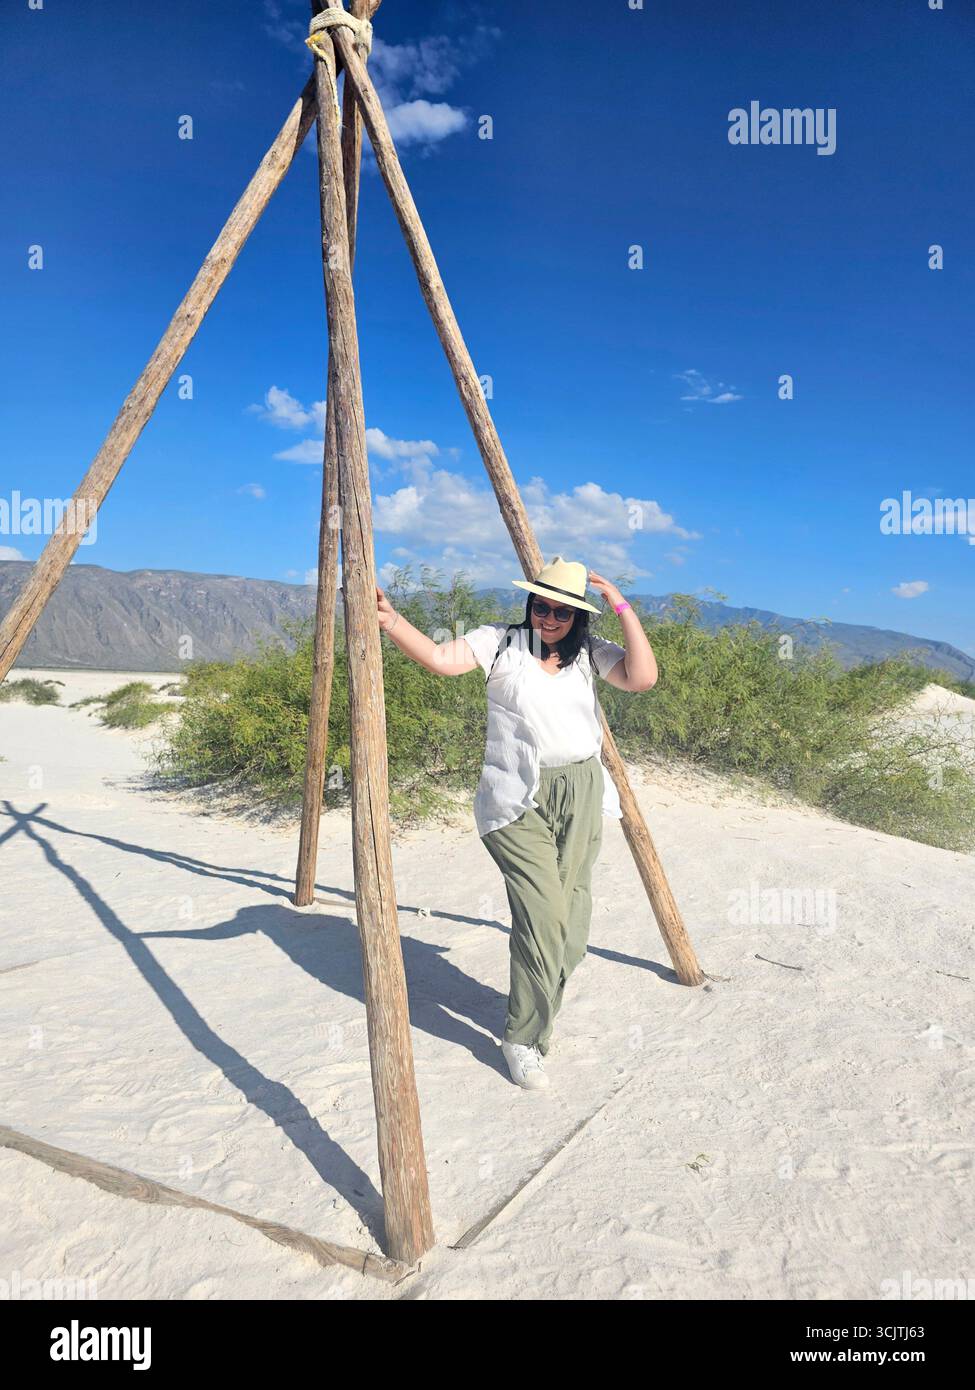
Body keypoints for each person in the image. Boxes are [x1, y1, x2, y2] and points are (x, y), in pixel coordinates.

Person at [375, 556, 658, 1090]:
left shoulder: (589, 654)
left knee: (572, 926)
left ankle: (535, 1005)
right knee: (544, 914)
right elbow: (439, 658)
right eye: (540, 605)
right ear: (529, 604)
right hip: (515, 799)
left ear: (578, 616)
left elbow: (642, 678)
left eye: (561, 611)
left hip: (581, 790)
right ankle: (522, 1038)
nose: (548, 617)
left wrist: (620, 603)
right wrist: (392, 622)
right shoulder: (500, 642)